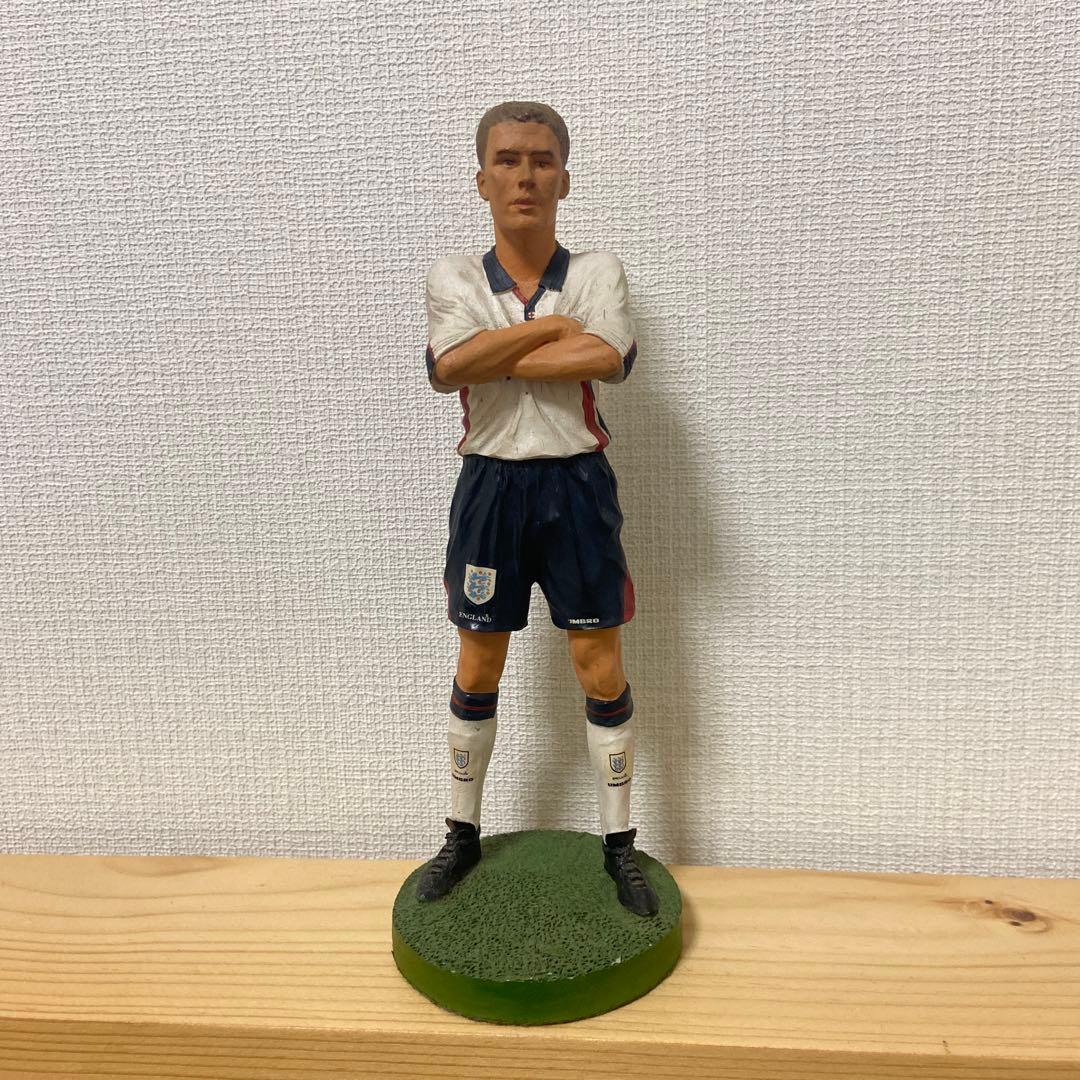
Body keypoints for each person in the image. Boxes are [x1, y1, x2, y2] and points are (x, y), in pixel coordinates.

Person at [416, 101, 658, 917]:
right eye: (509, 160)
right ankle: (461, 833)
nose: (526, 176)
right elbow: (449, 369)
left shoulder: (598, 271)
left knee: (599, 664)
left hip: (576, 487)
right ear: (481, 179)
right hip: (490, 487)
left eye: (542, 160)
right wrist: (552, 329)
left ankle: (619, 845)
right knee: (478, 662)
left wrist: (495, 350)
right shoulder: (455, 277)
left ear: (565, 178)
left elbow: (608, 355)